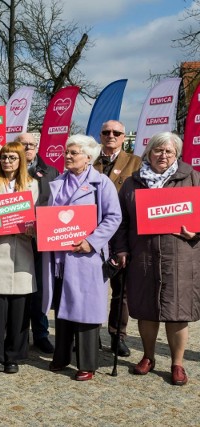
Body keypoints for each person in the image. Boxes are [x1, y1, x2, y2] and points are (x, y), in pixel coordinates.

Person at [111, 132, 200, 386]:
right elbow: (121, 222)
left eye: (168, 151)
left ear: (177, 154)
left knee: (177, 312)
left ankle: (177, 363)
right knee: (146, 310)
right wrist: (122, 249)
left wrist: (196, 232)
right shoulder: (132, 182)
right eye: (158, 150)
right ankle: (148, 356)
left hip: (180, 256)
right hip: (144, 256)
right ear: (148, 153)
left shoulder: (193, 178)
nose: (163, 155)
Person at [42, 134, 121, 381]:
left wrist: (92, 241)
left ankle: (87, 363)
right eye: (67, 151)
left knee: (86, 309)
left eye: (73, 152)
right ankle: (61, 356)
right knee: (64, 305)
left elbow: (113, 217)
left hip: (87, 256)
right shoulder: (58, 180)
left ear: (88, 157)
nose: (67, 156)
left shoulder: (102, 183)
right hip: (60, 256)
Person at [0, 142, 38, 373]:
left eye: (12, 157)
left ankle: (13, 356)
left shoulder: (33, 185)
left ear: (21, 159)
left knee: (19, 310)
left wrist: (33, 228)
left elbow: (37, 216)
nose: (8, 161)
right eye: (4, 157)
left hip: (21, 251)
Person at [92, 120, 141, 358]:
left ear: (124, 137)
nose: (111, 136)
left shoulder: (136, 162)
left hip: (123, 234)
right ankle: (90, 333)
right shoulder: (90, 161)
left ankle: (117, 335)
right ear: (100, 136)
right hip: (93, 235)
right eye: (106, 132)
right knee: (92, 287)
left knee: (122, 291)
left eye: (116, 132)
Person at [16, 132, 58, 354]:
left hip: (41, 238)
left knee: (41, 288)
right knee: (19, 287)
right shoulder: (9, 168)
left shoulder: (51, 171)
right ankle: (18, 333)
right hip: (16, 237)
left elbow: (57, 204)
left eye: (32, 144)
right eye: (24, 144)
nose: (28, 148)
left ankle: (41, 333)